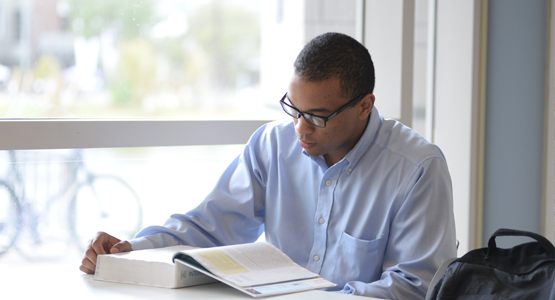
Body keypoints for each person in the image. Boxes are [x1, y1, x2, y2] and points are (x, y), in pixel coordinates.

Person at [80, 32, 456, 300]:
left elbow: (414, 287)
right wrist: (133, 249)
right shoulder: (272, 145)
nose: (300, 128)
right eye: (293, 109)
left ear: (364, 106)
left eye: (317, 116)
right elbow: (210, 226)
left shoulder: (418, 168)